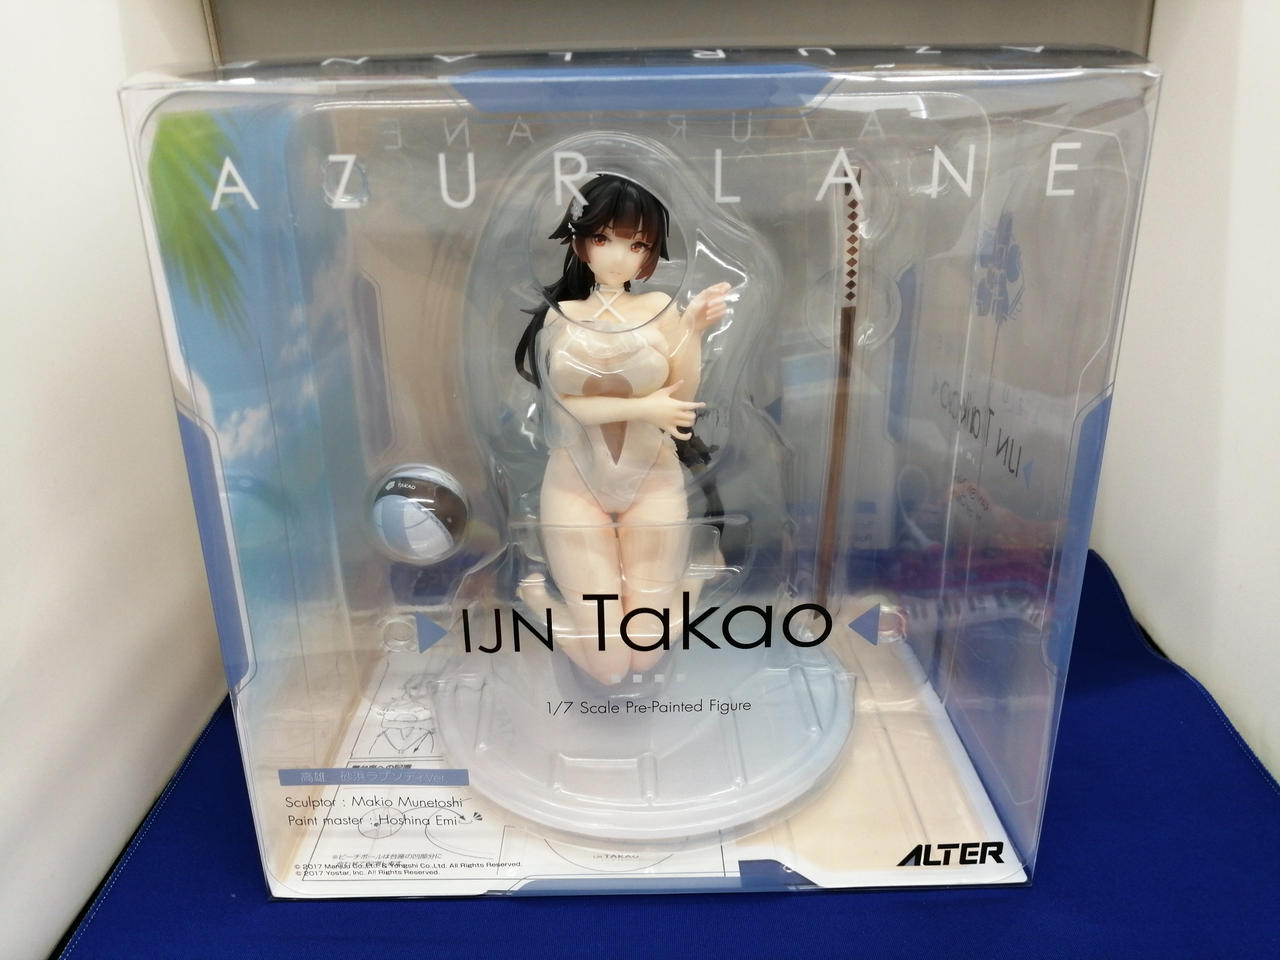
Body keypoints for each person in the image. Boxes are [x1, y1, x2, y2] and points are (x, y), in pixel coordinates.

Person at [514, 174, 729, 685]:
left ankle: (700, 574)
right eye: (603, 238)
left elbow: (680, 396)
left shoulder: (658, 309)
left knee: (646, 652)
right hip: (575, 483)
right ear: (580, 242)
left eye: (636, 245)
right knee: (610, 666)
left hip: (651, 479)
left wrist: (693, 330)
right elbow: (562, 409)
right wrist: (643, 408)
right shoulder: (562, 317)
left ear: (650, 254)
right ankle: (538, 600)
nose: (617, 256)